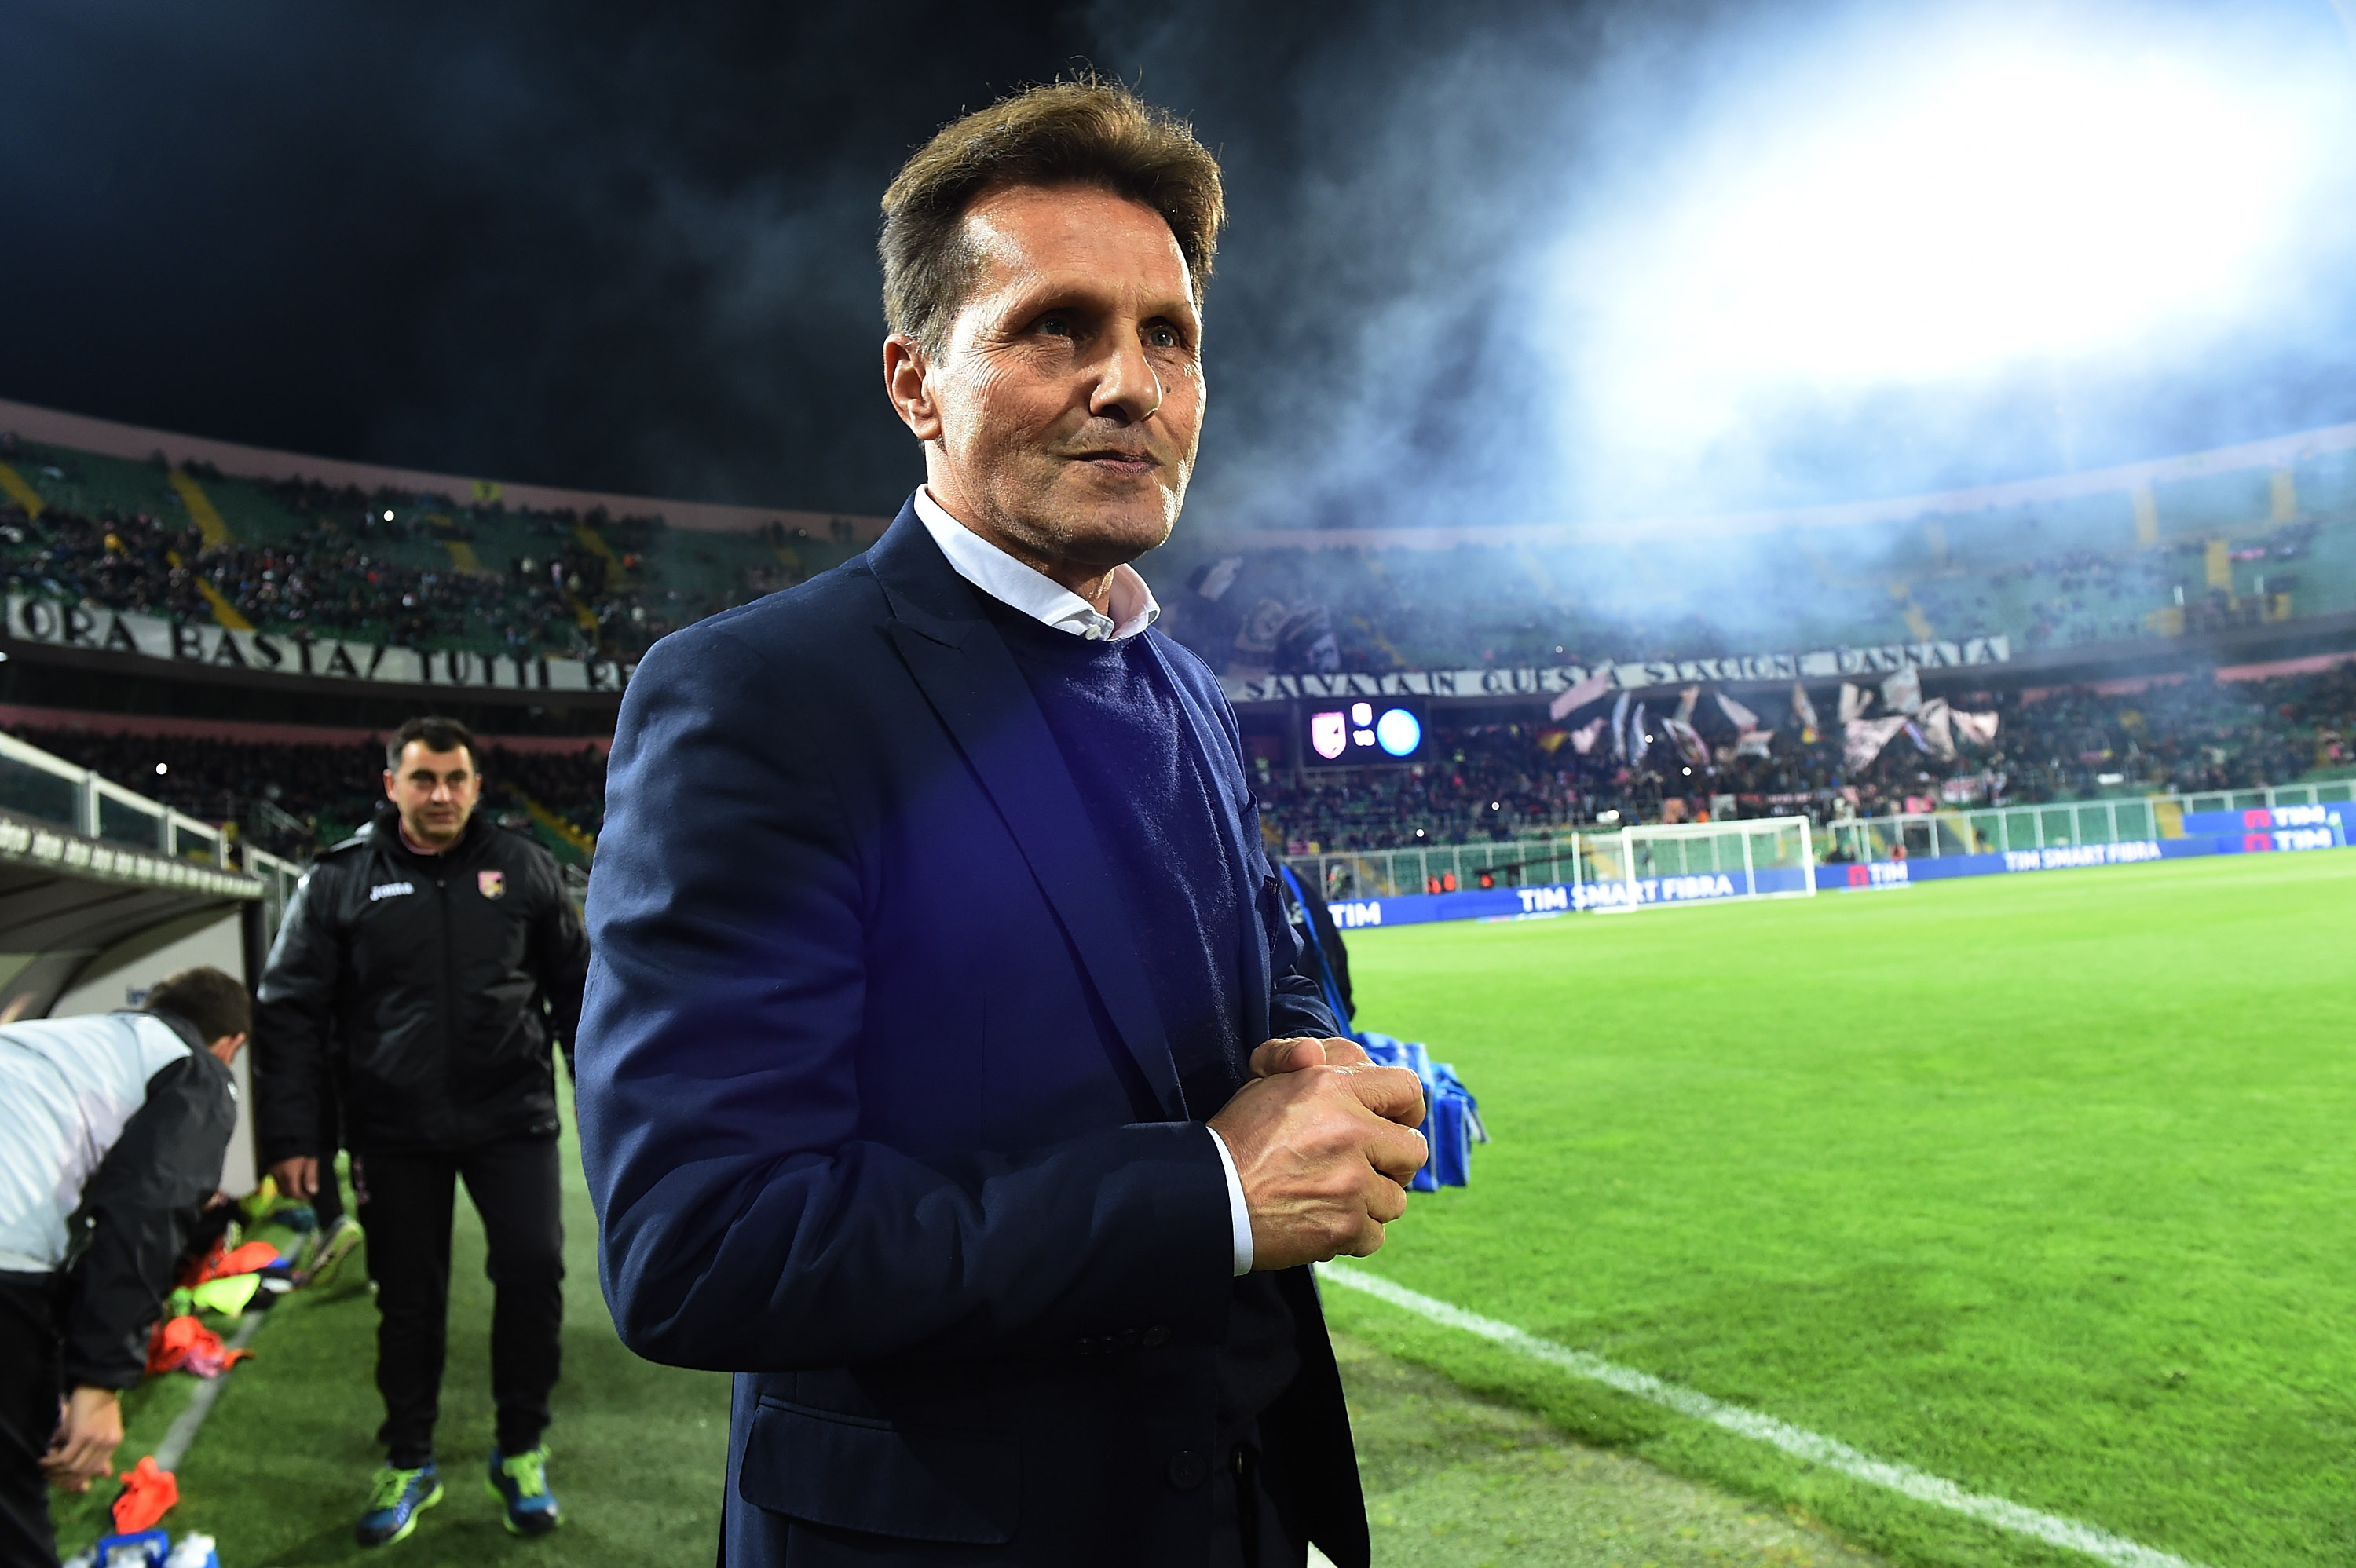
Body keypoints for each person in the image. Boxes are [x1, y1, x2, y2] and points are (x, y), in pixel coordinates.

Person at [576, 80, 1429, 1568]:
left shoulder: (1178, 684)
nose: (1131, 383)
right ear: (916, 382)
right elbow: (701, 1244)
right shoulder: (759, 700)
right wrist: (1210, 1192)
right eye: (1059, 327)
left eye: (1169, 336)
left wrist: (1308, 1041)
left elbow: (1248, 955)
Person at [254, 715, 588, 1547]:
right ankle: (410, 1457)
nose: (440, 794)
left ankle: (521, 1448)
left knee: (534, 1275)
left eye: (455, 778)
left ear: (478, 786)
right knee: (408, 1301)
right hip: (392, 1126)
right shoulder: (338, 879)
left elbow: (578, 996)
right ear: (392, 784)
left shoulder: (527, 868)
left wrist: (606, 1107)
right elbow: (290, 1012)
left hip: (513, 1117)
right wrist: (293, 1135)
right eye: (423, 778)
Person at [0, 967, 249, 1568]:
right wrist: (99, 1382)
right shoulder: (197, 1071)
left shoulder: (60, 1041)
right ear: (230, 1046)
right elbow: (146, 1209)